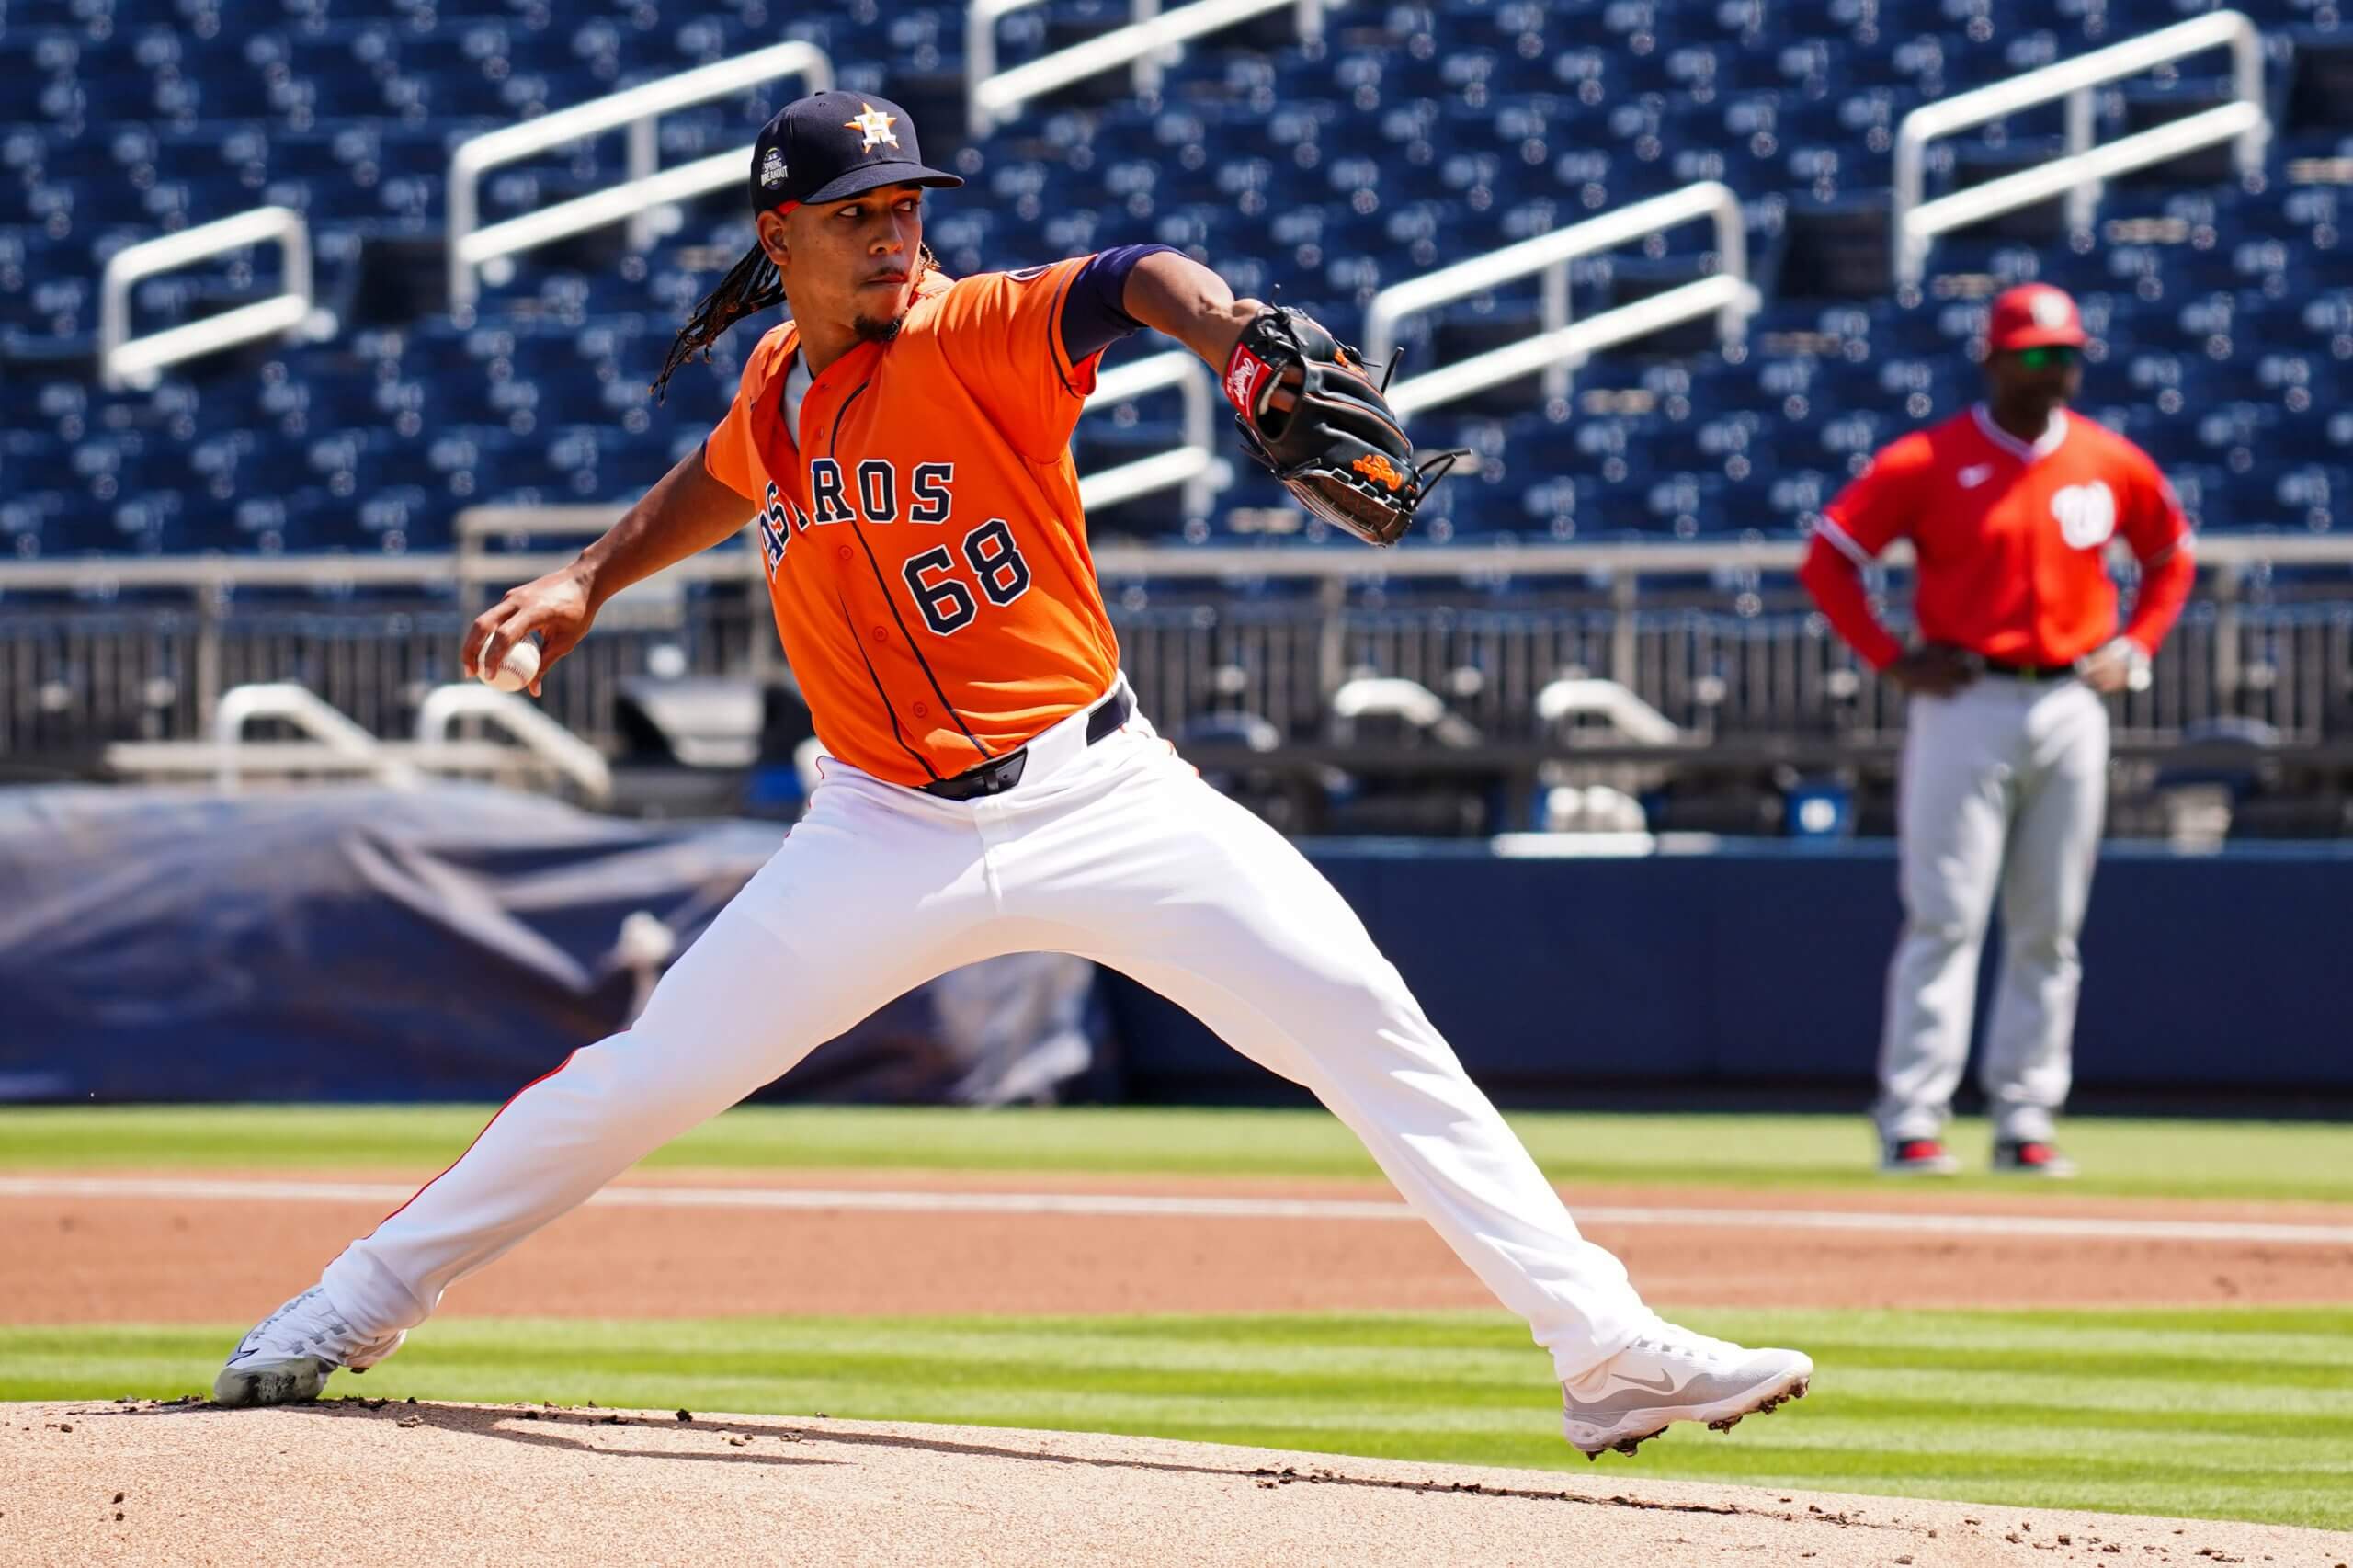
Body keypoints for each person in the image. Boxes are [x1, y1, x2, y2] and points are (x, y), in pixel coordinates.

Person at [212, 91, 1810, 1460]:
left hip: (1108, 796)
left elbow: (1135, 280)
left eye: (907, 202)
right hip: (878, 830)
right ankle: (352, 1300)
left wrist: (1243, 341)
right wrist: (581, 581)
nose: (895, 233)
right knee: (646, 1078)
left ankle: (1602, 1352)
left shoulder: (976, 329)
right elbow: (711, 481)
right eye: (858, 211)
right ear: (784, 237)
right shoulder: (776, 381)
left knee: (1363, 1020)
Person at [1799, 283, 2195, 1178]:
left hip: (2069, 699)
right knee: (1945, 913)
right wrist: (1890, 657)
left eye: (2064, 354)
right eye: (2034, 354)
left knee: (2049, 923)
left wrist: (2135, 645)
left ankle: (2026, 1114)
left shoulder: (2108, 460)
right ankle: (1912, 1116)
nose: (2052, 370)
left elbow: (2171, 556)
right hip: (1965, 698)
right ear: (1994, 358)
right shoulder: (1928, 459)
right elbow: (1828, 556)